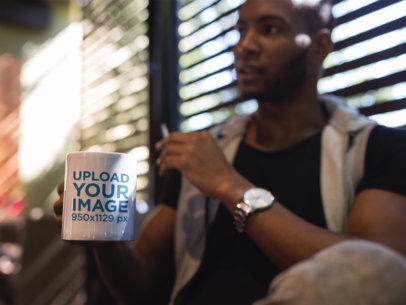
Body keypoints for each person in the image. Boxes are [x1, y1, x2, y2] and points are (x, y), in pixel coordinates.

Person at [54, 0, 406, 304]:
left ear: (318, 46)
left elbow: (378, 272)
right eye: (240, 30)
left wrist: (228, 185)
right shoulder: (203, 150)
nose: (244, 45)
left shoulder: (377, 148)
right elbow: (141, 285)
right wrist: (105, 244)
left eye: (269, 29)